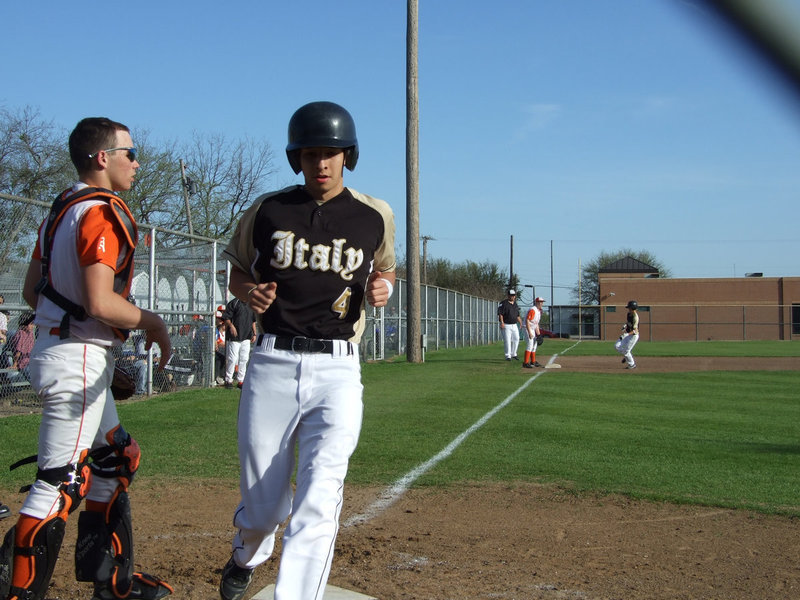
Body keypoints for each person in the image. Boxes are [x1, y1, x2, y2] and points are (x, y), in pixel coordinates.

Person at [217, 101, 396, 600]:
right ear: (296, 158)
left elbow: (384, 268)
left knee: (320, 496)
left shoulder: (374, 214)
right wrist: (245, 292)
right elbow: (235, 269)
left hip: (338, 369)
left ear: (348, 156)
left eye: (332, 153)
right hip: (272, 362)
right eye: (311, 153)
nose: (322, 163)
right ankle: (247, 553)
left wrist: (384, 285)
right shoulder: (268, 209)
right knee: (265, 506)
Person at [0, 117, 173, 600]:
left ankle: (110, 581)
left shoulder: (62, 208)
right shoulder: (101, 211)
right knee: (60, 482)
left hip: (67, 349)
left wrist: (74, 324)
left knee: (117, 458)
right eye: (129, 153)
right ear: (103, 158)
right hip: (76, 356)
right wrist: (154, 323)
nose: (136, 163)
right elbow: (101, 302)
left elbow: (36, 289)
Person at [221, 297, 256, 389]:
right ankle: (228, 380)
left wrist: (254, 333)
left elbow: (253, 320)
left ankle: (241, 380)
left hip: (246, 336)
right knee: (232, 358)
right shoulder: (234, 303)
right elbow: (227, 318)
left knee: (244, 359)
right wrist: (231, 326)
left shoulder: (251, 304)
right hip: (234, 337)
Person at [7, 312, 36, 382]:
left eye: (33, 324)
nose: (33, 326)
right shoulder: (21, 334)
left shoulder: (31, 333)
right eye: (31, 324)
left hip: (30, 360)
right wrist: (15, 364)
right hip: (24, 363)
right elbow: (18, 351)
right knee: (32, 378)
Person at [497, 289, 522, 361]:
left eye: (513, 295)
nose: (512, 297)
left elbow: (517, 315)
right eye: (511, 295)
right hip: (506, 324)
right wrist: (502, 322)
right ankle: (508, 355)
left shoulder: (515, 304)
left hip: (514, 325)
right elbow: (500, 314)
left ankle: (514, 354)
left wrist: (520, 323)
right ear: (508, 295)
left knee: (516, 339)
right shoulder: (503, 303)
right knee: (507, 340)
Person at [615, 300, 640, 369]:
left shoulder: (636, 317)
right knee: (616, 346)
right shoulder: (629, 314)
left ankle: (632, 364)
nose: (628, 309)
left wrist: (626, 334)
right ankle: (627, 356)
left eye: (629, 307)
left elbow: (635, 330)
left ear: (632, 308)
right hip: (628, 334)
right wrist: (625, 325)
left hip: (633, 336)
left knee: (626, 351)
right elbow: (628, 322)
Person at [523, 297, 546, 368]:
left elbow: (536, 324)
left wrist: (539, 335)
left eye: (542, 302)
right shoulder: (533, 310)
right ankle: (525, 363)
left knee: (534, 345)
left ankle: (533, 361)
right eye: (540, 302)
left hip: (532, 328)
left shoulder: (539, 311)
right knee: (530, 344)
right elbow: (527, 321)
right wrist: (530, 332)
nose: (541, 303)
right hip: (527, 328)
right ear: (536, 302)